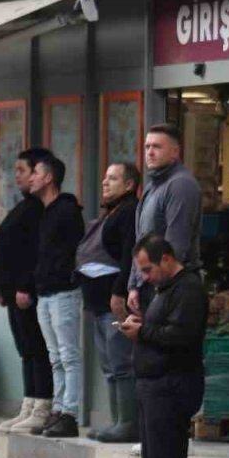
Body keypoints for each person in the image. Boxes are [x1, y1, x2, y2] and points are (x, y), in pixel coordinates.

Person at [118, 235, 206, 458]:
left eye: (148, 269)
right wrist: (141, 326)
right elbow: (161, 330)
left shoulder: (188, 289)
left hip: (172, 385)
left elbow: (180, 336)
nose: (145, 277)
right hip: (152, 385)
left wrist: (142, 332)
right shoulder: (163, 290)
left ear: (167, 259)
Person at [78, 163, 141, 442]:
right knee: (109, 365)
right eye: (104, 177)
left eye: (113, 178)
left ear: (129, 185)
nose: (105, 183)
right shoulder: (111, 212)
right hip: (98, 303)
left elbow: (129, 255)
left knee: (121, 363)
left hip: (113, 301)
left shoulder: (128, 213)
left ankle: (128, 423)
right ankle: (117, 420)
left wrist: (120, 291)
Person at [0, 149, 53, 434]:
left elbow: (34, 253)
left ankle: (42, 405)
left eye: (23, 171)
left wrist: (24, 285)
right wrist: (1, 287)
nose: (17, 176)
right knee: (25, 348)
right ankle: (29, 402)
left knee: (36, 347)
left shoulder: (39, 210)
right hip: (12, 290)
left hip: (25, 290)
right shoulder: (24, 206)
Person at [29, 152, 85, 438]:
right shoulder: (45, 213)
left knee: (68, 355)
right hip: (46, 292)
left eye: (36, 173)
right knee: (55, 356)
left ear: (49, 177)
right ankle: (58, 408)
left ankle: (70, 413)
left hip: (63, 291)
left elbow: (73, 250)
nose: (31, 178)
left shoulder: (66, 210)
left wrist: (63, 273)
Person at [129, 124, 202, 315]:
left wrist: (159, 289)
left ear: (175, 151)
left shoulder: (180, 185)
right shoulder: (153, 185)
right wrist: (134, 285)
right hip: (150, 282)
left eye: (157, 147)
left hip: (169, 285)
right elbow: (140, 241)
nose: (150, 153)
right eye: (147, 147)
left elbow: (175, 245)